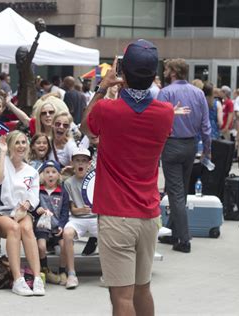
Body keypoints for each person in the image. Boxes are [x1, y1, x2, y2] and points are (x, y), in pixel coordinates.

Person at [81, 40, 175, 316]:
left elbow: (87, 126)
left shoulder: (107, 109)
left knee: (121, 297)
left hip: (115, 214)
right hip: (148, 214)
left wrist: (102, 87)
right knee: (142, 288)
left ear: (122, 72)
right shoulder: (165, 113)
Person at [158, 58, 211, 253]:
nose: (164, 72)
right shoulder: (198, 93)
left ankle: (183, 238)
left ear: (173, 72)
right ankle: (173, 231)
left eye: (166, 69)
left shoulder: (165, 93)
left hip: (171, 145)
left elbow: (156, 120)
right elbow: (206, 126)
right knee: (180, 191)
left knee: (176, 193)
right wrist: (207, 149)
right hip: (191, 145)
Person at [0, 130, 45, 296]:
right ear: (10, 145)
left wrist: (26, 204)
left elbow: (34, 197)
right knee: (14, 228)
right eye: (17, 142)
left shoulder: (31, 171)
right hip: (0, 212)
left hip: (21, 212)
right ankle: (18, 279)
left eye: (23, 142)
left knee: (26, 228)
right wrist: (2, 153)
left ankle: (37, 278)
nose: (21, 146)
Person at [62, 148, 98, 288]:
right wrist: (81, 210)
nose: (80, 164)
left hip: (96, 218)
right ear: (72, 163)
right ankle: (71, 273)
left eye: (84, 161)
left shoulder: (95, 180)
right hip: (78, 219)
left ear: (89, 164)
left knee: (109, 233)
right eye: (77, 161)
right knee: (67, 233)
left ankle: (109, 272)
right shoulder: (68, 183)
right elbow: (73, 210)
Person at [34, 160, 69, 285]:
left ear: (59, 175)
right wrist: (36, 210)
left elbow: (65, 212)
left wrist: (62, 225)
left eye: (54, 172)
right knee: (41, 246)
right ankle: (45, 268)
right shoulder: (38, 190)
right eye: (47, 172)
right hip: (42, 226)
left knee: (64, 245)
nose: (50, 175)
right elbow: (33, 206)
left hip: (56, 226)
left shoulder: (62, 192)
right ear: (42, 175)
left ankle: (62, 271)